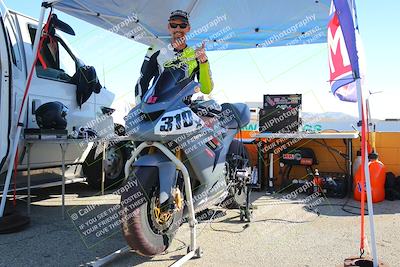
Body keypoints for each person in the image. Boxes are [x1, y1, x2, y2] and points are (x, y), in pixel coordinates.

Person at [134, 10, 214, 104]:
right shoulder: (156, 50)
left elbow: (206, 90)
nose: (178, 29)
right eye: (174, 25)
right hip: (157, 106)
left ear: (188, 28)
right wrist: (140, 107)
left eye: (183, 25)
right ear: (169, 27)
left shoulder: (197, 54)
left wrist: (203, 62)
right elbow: (143, 80)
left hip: (184, 108)